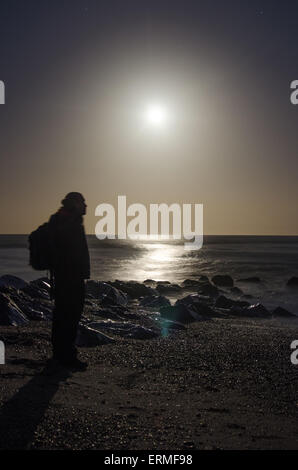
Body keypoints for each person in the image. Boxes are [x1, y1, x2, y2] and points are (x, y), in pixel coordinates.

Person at [48, 192, 90, 370]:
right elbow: (72, 251)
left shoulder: (62, 218)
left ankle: (60, 353)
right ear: (76, 204)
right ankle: (67, 356)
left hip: (63, 276)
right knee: (70, 315)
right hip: (70, 277)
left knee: (62, 315)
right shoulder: (70, 221)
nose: (86, 206)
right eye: (83, 202)